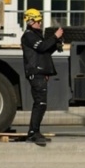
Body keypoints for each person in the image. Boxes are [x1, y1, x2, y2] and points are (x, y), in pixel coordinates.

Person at [21, 8, 64, 146]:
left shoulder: (36, 35)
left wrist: (56, 44)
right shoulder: (29, 35)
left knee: (41, 104)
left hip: (40, 73)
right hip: (36, 73)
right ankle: (33, 133)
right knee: (40, 103)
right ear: (30, 21)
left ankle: (35, 131)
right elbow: (41, 47)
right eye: (38, 21)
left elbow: (45, 51)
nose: (40, 23)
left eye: (41, 21)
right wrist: (55, 37)